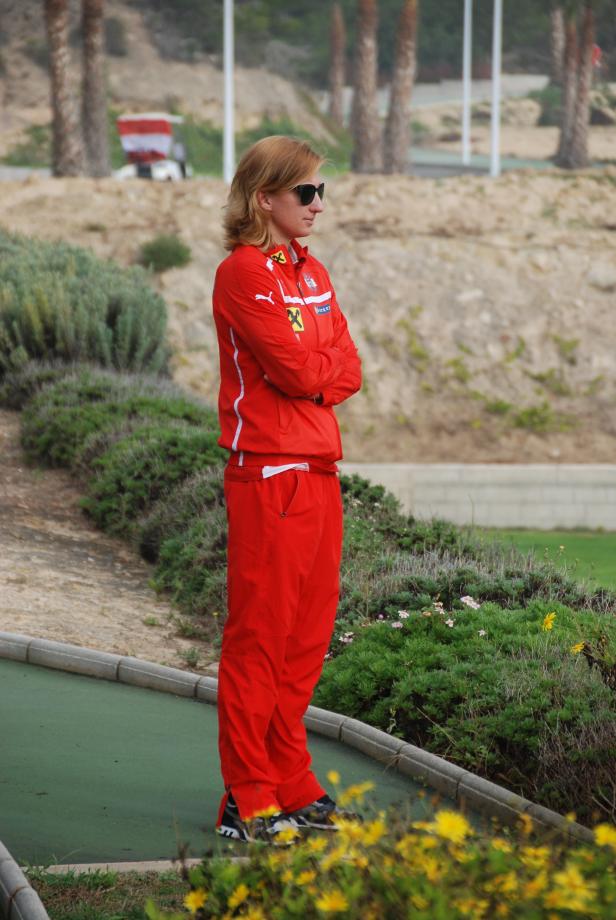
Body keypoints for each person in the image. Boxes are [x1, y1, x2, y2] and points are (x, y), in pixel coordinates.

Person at [212, 135, 362, 844]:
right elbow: (305, 375)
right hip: (268, 476)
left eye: (321, 191)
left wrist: (316, 363)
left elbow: (347, 368)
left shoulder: (313, 270)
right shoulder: (243, 274)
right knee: (260, 641)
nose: (317, 204)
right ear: (263, 196)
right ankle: (248, 795)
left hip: (320, 474)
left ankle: (290, 779)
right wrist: (316, 365)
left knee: (305, 641)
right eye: (305, 192)